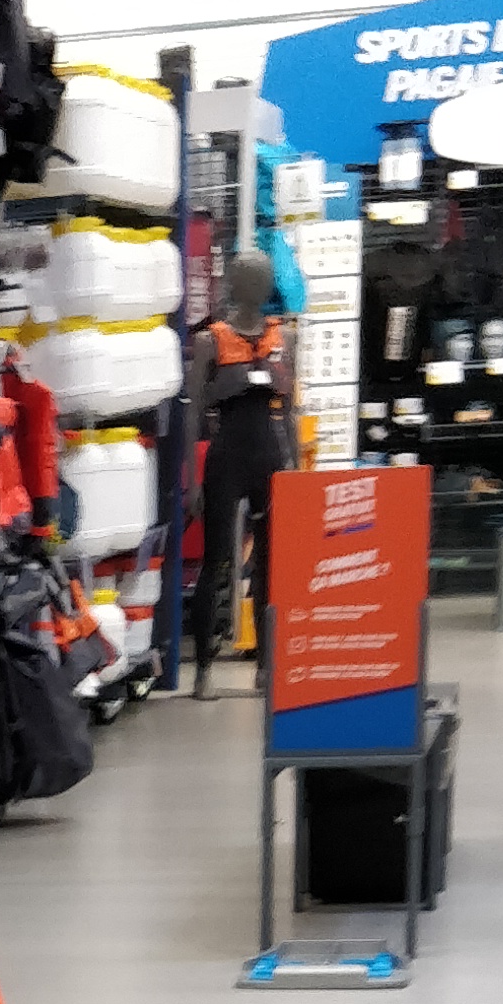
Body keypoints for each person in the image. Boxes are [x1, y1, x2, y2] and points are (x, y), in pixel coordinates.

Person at [196, 249, 297, 682]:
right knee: (215, 561)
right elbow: (193, 413)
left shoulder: (283, 337)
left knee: (269, 564)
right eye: (247, 278)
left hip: (268, 458)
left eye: (262, 278)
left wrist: (294, 468)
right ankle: (203, 670)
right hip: (226, 459)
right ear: (233, 284)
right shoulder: (211, 340)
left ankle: (265, 666)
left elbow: (290, 409)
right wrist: (191, 481)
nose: (255, 286)